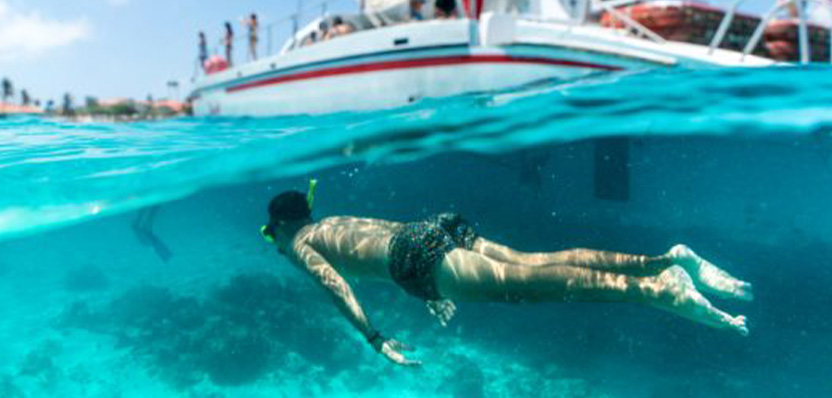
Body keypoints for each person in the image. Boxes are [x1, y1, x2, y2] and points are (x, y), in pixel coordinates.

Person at [261, 187, 753, 366]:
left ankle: (658, 291)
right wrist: (424, 294)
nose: (275, 245)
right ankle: (663, 262)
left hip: (418, 260)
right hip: (432, 230)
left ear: (282, 226)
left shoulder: (302, 242)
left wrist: (373, 338)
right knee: (537, 262)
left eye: (270, 236)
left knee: (534, 287)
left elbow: (337, 284)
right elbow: (382, 247)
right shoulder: (332, 222)